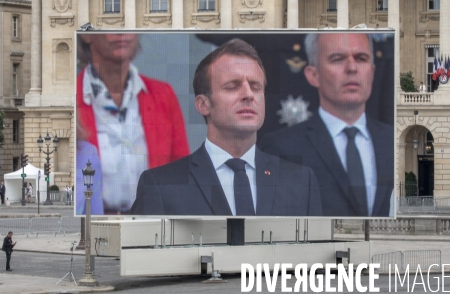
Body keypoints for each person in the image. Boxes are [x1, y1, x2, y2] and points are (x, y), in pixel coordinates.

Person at [131, 39, 322, 216]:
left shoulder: (301, 181)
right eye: (232, 86)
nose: (248, 95)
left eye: (256, 86)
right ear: (203, 104)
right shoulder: (162, 185)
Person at [261, 33, 394, 217]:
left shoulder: (393, 141)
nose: (352, 68)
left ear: (372, 72)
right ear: (313, 75)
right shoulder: (281, 148)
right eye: (338, 59)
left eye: (361, 58)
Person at [76, 34, 189, 214]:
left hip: (153, 225)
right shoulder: (69, 98)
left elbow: (182, 175)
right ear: (87, 35)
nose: (122, 32)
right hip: (95, 224)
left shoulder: (163, 95)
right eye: (112, 22)